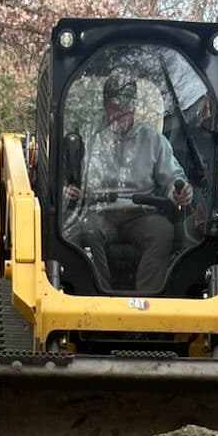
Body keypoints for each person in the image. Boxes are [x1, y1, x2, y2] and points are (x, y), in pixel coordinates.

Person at [65, 74, 194, 293]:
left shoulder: (154, 141)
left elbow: (173, 178)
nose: (118, 115)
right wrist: (70, 189)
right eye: (114, 108)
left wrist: (180, 191)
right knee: (87, 229)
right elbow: (71, 177)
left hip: (141, 213)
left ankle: (147, 297)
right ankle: (99, 295)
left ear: (134, 108)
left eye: (124, 108)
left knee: (162, 231)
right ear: (106, 107)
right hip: (99, 211)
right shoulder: (89, 137)